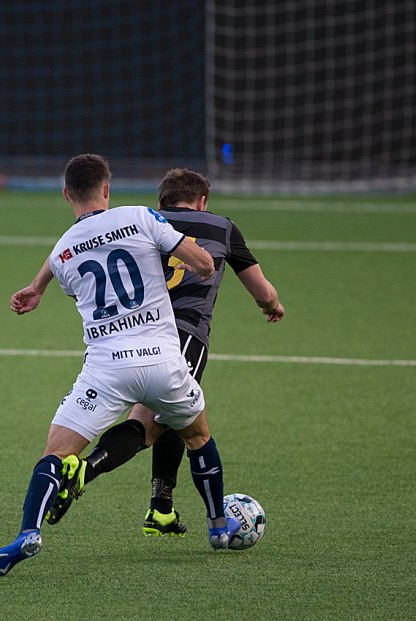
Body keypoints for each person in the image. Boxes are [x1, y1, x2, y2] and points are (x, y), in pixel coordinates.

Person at [0, 154, 216, 577]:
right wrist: (189, 260)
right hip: (164, 362)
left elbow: (71, 275)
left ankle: (27, 532)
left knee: (55, 453)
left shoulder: (62, 253)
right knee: (197, 436)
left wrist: (37, 287)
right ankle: (219, 525)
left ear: (66, 194)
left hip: (107, 370)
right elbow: (203, 264)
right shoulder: (140, 217)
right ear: (107, 189)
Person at [41, 168, 284, 543]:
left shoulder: (140, 219)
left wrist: (38, 285)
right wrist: (272, 305)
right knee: (164, 425)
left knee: (168, 419)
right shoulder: (222, 226)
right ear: (202, 201)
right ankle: (88, 473)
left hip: (130, 335)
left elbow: (75, 248)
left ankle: (161, 507)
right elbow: (261, 290)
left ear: (162, 201)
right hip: (182, 334)